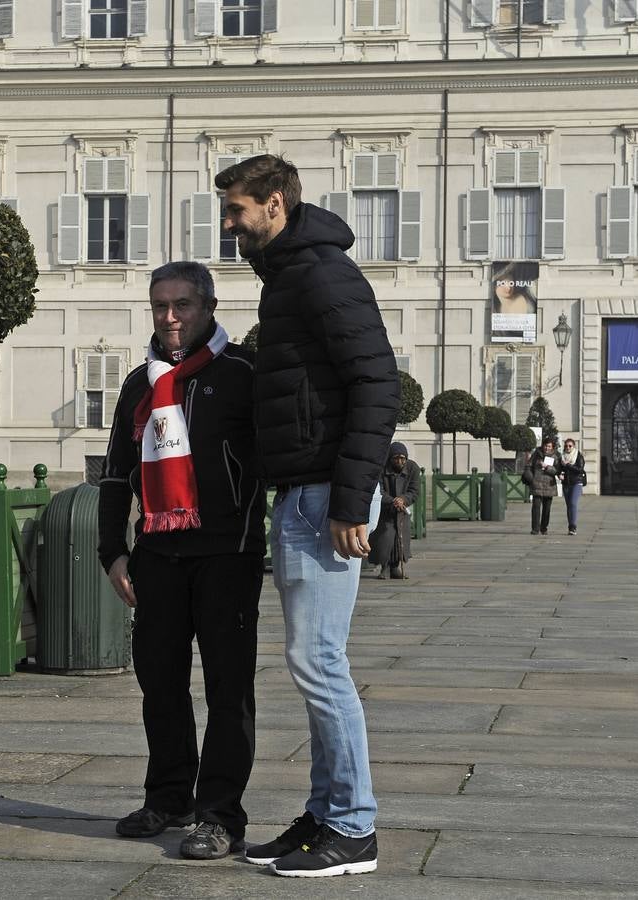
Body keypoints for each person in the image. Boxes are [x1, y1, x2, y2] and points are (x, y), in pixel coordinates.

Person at [217, 154, 399, 877]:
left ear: (273, 204)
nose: (228, 223)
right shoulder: (290, 275)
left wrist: (352, 500)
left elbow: (375, 382)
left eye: (236, 210)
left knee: (318, 662)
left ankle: (353, 827)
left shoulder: (319, 273)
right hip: (303, 491)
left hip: (328, 495)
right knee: (311, 661)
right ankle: (324, 815)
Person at [97, 260, 266, 862]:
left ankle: (220, 816)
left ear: (209, 306)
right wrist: (112, 551)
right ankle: (168, 797)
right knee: (160, 685)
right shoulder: (140, 384)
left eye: (182, 305)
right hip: (157, 555)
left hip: (228, 553)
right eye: (160, 305)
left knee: (228, 689)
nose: (170, 318)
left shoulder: (243, 371)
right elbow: (116, 472)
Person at [368, 442, 418, 579]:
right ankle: (385, 566)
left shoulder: (413, 468)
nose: (399, 461)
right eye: (396, 458)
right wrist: (393, 500)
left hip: (402, 510)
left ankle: (396, 566)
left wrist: (403, 499)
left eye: (403, 458)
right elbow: (378, 490)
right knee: (385, 538)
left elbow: (414, 491)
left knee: (401, 538)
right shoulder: (381, 468)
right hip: (385, 510)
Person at [526, 436, 562, 535]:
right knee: (536, 508)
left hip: (549, 486)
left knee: (547, 509)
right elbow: (529, 466)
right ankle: (535, 529)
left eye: (549, 446)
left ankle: (544, 527)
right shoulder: (536, 454)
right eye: (546, 446)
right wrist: (530, 477)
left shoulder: (556, 456)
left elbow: (557, 471)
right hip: (537, 483)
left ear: (553, 447)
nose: (547, 448)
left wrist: (547, 467)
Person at [559, 437, 587, 536]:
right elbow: (559, 469)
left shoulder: (578, 456)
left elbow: (580, 469)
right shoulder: (562, 457)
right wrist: (559, 474)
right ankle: (570, 527)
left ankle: (573, 527)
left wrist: (568, 465)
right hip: (566, 483)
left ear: (574, 446)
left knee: (573, 503)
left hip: (577, 482)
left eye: (570, 446)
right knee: (568, 506)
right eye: (566, 446)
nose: (568, 448)